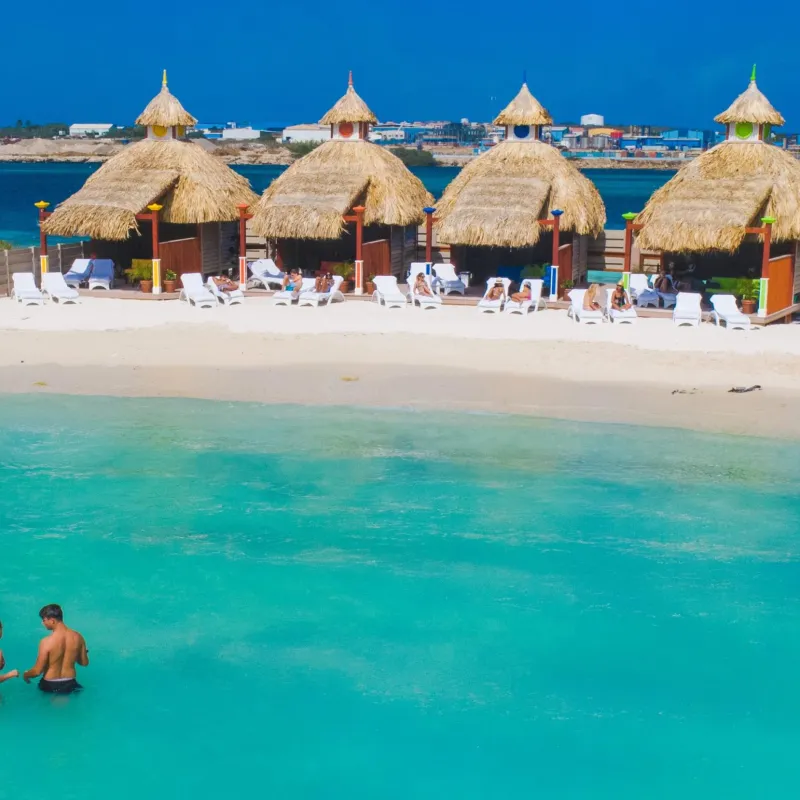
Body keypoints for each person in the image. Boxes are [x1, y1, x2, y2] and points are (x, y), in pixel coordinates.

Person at [23, 604, 88, 694]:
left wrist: (26, 675)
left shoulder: (46, 642)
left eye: (44, 620)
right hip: (70, 683)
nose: (42, 623)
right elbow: (84, 663)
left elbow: (37, 671)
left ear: (52, 621)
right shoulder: (78, 637)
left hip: (50, 684)